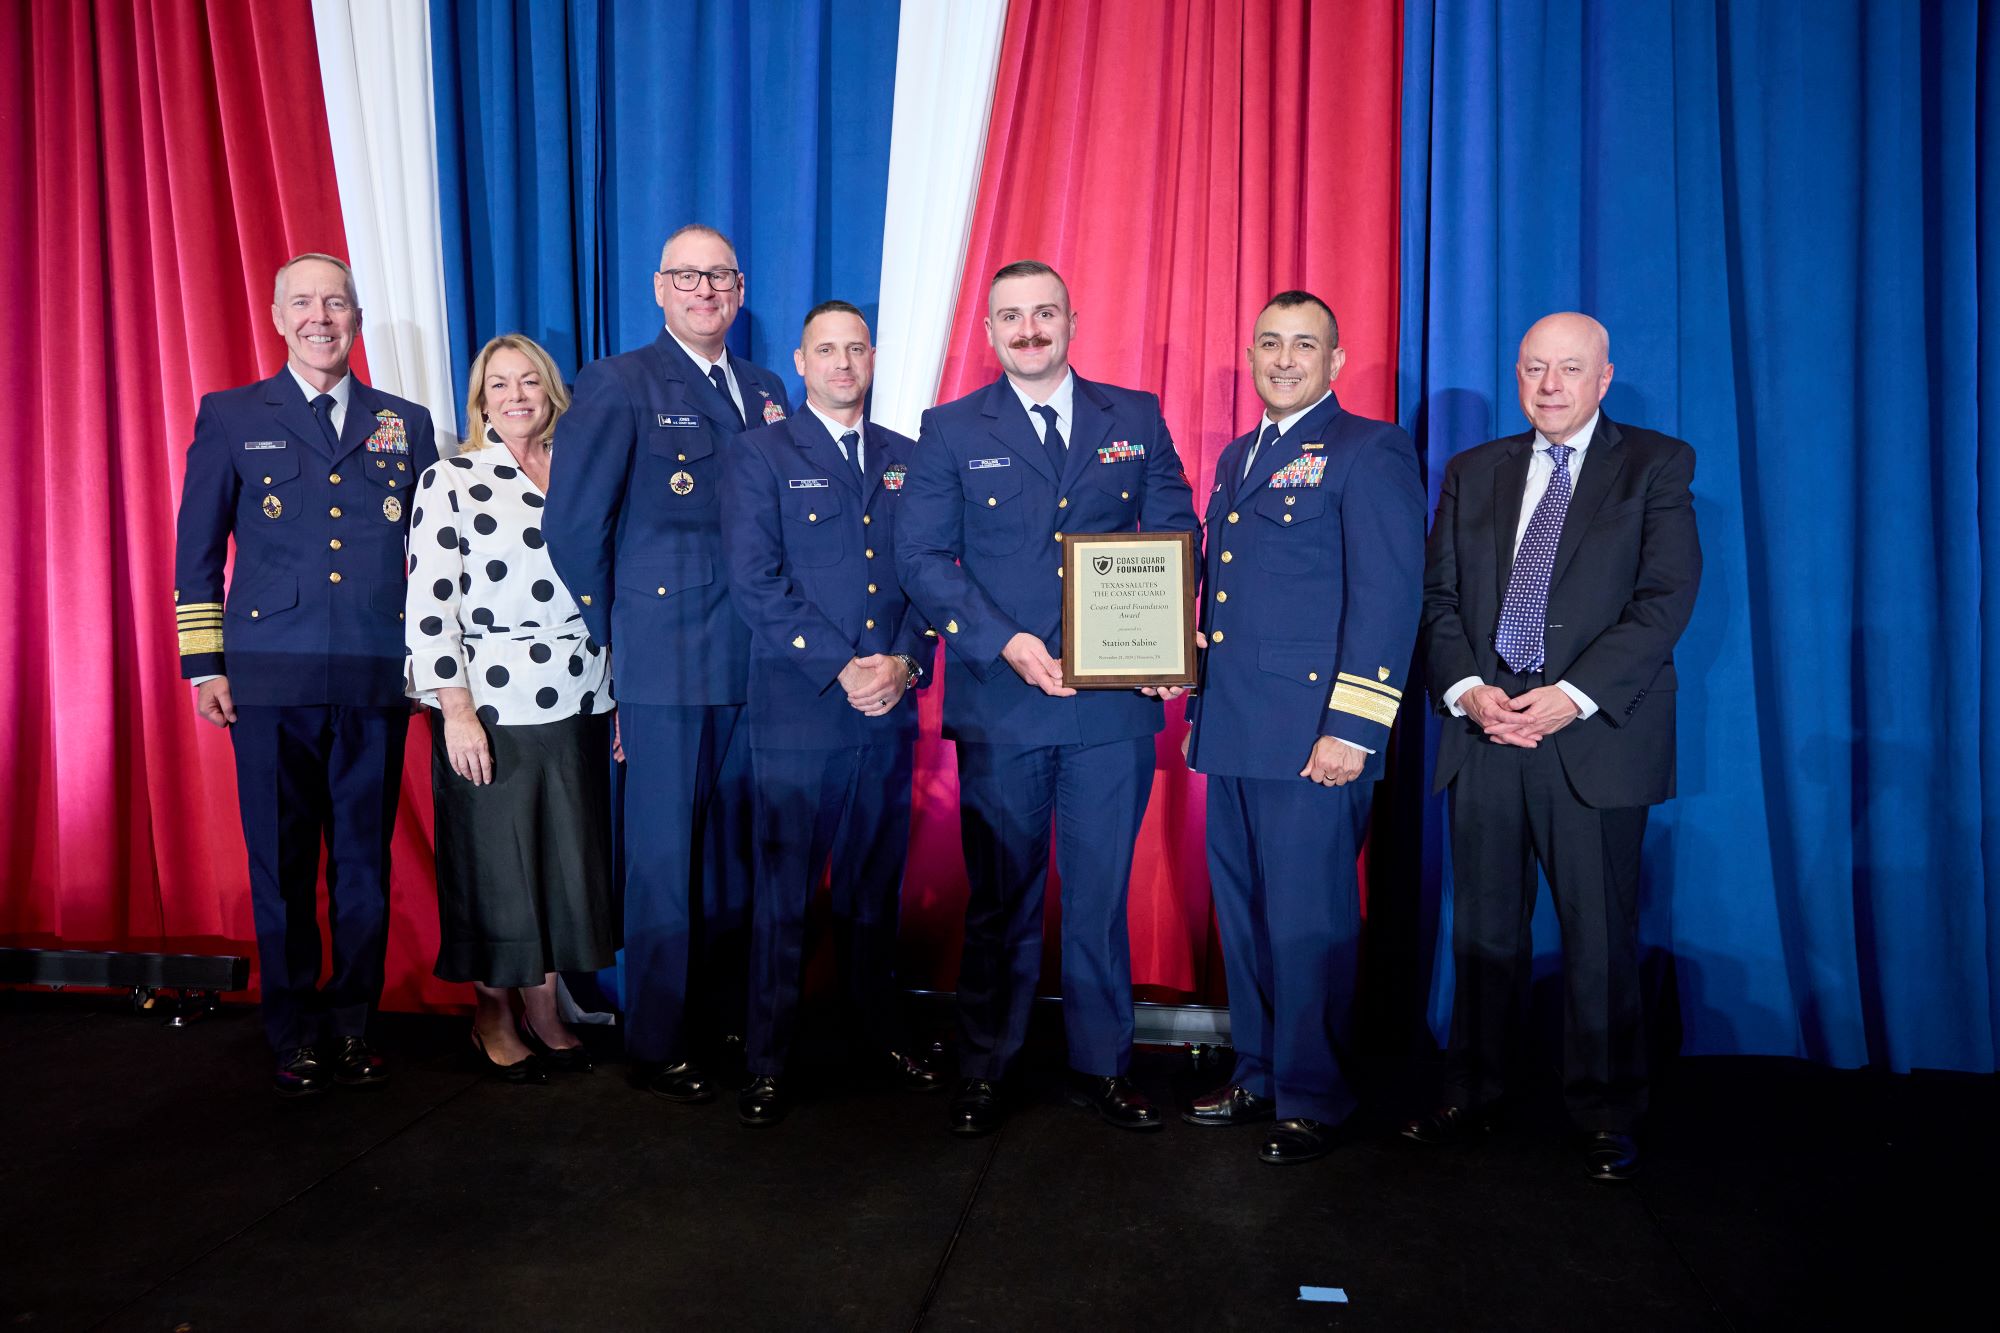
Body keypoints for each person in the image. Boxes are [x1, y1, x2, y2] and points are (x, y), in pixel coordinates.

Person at [897, 260, 1199, 1137]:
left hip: (1110, 704)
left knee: (1100, 897)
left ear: (1071, 320)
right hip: (1005, 698)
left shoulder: (1133, 416)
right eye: (1011, 316)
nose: (1029, 329)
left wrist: (1162, 636)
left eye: (1044, 313)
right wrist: (1006, 642)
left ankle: (1104, 1066)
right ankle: (986, 1066)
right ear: (990, 331)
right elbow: (922, 557)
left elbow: (1175, 528)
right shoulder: (951, 428)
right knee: (1002, 897)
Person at [1404, 312, 1701, 1182]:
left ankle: (1606, 1110)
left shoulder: (1656, 465)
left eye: (1570, 369)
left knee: (1599, 935)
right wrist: (1469, 689)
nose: (1550, 385)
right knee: (1483, 930)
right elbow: (1438, 598)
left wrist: (1569, 698)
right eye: (1535, 368)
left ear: (1604, 377)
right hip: (1487, 730)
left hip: (1591, 737)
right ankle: (1475, 1092)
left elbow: (1665, 599)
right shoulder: (1474, 470)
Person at [174, 253, 438, 1098]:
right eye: (303, 303)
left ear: (355, 317)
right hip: (268, 678)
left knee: (362, 865)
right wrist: (204, 665)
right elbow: (197, 551)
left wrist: (436, 663)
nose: (320, 317)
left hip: (372, 672)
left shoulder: (405, 423)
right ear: (277, 317)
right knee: (282, 866)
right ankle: (292, 1032)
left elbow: (435, 558)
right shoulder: (231, 414)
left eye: (335, 302)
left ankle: (352, 1026)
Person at [542, 224, 790, 1105]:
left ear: (740, 288)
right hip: (667, 662)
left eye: (719, 276)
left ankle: (723, 1017)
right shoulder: (619, 382)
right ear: (658, 288)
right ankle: (657, 1038)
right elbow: (572, 528)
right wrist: (620, 636)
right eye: (687, 276)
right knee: (662, 861)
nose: (704, 291)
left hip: (758, 659)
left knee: (737, 855)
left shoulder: (766, 389)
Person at [1181, 291, 1426, 1163]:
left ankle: (1314, 1093)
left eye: (1304, 345)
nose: (1284, 359)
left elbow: (1389, 597)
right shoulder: (1237, 455)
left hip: (1313, 734)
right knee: (1246, 917)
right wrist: (1191, 687)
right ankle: (1258, 1072)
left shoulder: (1370, 449)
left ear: (1336, 361)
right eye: (1270, 343)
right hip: (1232, 728)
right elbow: (1226, 593)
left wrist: (1354, 726)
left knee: (1307, 921)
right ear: (1251, 355)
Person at [720, 301, 942, 1127]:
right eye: (826, 350)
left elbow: (928, 576)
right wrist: (842, 665)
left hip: (886, 706)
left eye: (855, 349)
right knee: (784, 893)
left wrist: (905, 662)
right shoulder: (760, 454)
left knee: (875, 886)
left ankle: (877, 1034)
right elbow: (755, 581)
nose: (842, 364)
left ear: (873, 358)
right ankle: (768, 1057)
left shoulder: (908, 456)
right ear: (800, 361)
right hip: (801, 707)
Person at [405, 334, 618, 1083]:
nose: (517, 395)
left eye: (530, 381)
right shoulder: (452, 479)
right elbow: (429, 603)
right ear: (481, 401)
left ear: (551, 392)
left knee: (561, 861)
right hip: (491, 703)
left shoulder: (583, 474)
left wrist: (621, 692)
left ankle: (546, 1008)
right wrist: (455, 710)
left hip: (581, 693)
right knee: (496, 866)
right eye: (499, 384)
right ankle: (492, 1013)